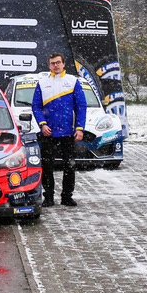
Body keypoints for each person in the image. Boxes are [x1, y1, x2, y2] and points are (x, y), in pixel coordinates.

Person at [32, 52, 87, 207]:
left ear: (63, 64)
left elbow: (81, 106)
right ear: (49, 65)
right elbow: (36, 106)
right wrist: (42, 124)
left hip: (68, 133)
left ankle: (67, 196)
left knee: (69, 166)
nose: (55, 66)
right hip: (48, 133)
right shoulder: (42, 82)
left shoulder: (73, 81)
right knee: (47, 166)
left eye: (58, 62)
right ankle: (48, 197)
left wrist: (80, 128)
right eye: (52, 63)